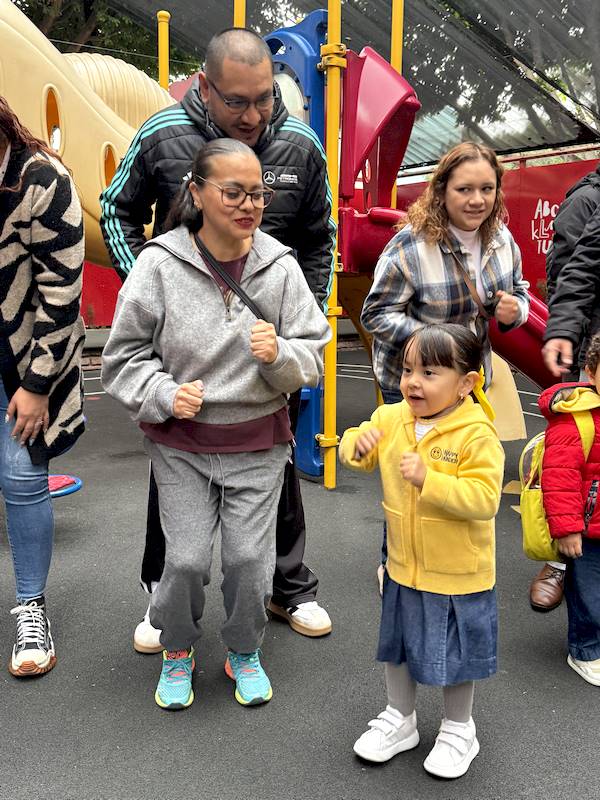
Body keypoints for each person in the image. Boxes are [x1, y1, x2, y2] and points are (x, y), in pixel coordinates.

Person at [100, 27, 335, 649]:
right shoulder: (163, 134)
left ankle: (288, 586)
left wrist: (299, 320)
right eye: (236, 101)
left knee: (274, 466)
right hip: (186, 351)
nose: (253, 115)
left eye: (264, 98)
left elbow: (321, 236)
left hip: (266, 344)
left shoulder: (300, 143)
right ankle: (164, 593)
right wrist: (151, 289)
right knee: (176, 471)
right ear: (205, 87)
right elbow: (115, 208)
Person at [360, 141, 530, 589]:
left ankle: (450, 564)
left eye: (487, 189)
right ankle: (396, 563)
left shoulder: (501, 240)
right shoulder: (412, 245)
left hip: (467, 382)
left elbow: (520, 292)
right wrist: (431, 347)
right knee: (411, 476)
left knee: (457, 471)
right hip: (413, 381)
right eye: (464, 189)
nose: (477, 200)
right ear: (442, 191)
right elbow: (375, 314)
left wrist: (515, 310)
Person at [339, 324, 504, 779]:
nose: (413, 381)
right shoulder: (392, 418)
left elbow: (484, 499)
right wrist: (357, 445)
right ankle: (400, 717)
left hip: (458, 574)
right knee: (398, 647)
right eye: (408, 369)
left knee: (458, 656)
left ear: (466, 383)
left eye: (429, 373)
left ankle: (459, 728)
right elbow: (356, 448)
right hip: (403, 567)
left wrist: (431, 480)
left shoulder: (476, 434)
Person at [0, 96, 85, 676]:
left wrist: (36, 385)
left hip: (25, 359)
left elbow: (62, 291)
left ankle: (31, 606)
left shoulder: (41, 179)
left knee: (21, 476)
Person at [533, 166, 600, 611]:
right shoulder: (587, 200)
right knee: (576, 459)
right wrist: (565, 333)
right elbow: (573, 272)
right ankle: (559, 557)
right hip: (593, 352)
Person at [538, 331, 600, 686]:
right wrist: (567, 529)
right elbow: (559, 478)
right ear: (590, 372)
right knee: (589, 594)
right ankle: (584, 650)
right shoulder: (577, 419)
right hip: (587, 529)